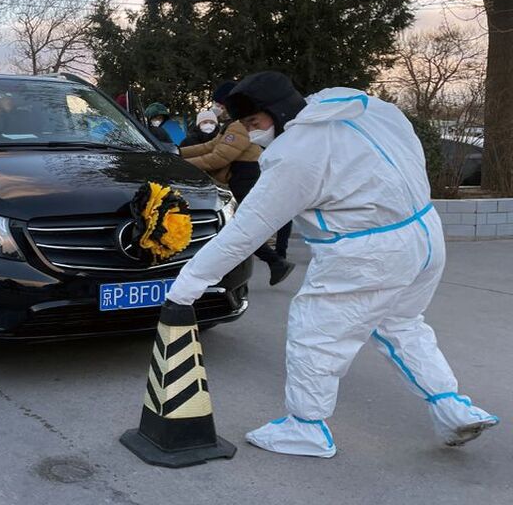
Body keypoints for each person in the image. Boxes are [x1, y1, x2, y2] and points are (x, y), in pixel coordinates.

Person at [166, 71, 498, 458]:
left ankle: (306, 428)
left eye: (256, 124)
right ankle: (451, 406)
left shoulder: (298, 153)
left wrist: (185, 287)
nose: (254, 134)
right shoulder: (361, 109)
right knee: (402, 324)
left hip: (368, 250)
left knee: (316, 334)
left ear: (276, 112)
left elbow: (245, 231)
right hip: (424, 232)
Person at [179, 99, 295, 286]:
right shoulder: (231, 126)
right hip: (241, 177)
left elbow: (218, 157)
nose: (217, 110)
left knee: (243, 227)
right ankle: (276, 261)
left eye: (220, 105)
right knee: (244, 225)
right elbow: (210, 147)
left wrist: (180, 161)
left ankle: (277, 261)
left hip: (245, 177)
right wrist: (177, 152)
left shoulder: (239, 127)